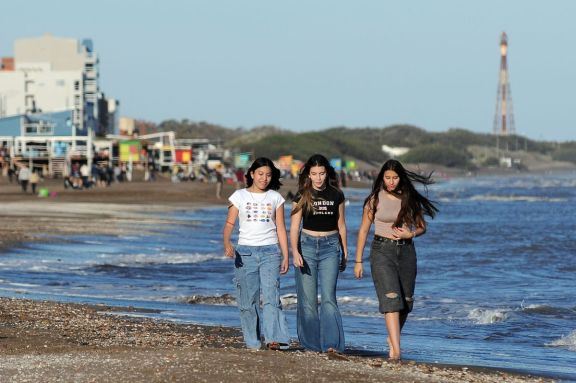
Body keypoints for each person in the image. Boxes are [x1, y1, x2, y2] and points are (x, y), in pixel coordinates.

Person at [354, 159, 438, 362]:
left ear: (401, 178)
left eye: (395, 178)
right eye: (387, 178)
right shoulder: (374, 199)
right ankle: (396, 351)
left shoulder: (409, 198)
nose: (391, 182)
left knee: (406, 303)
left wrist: (411, 234)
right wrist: (358, 261)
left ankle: (393, 337)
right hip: (381, 251)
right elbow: (364, 230)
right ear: (382, 178)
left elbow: (421, 227)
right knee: (391, 300)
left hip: (407, 252)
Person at [223, 157, 291, 350]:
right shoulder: (239, 196)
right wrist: (227, 241)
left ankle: (273, 339)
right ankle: (253, 342)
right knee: (248, 300)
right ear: (252, 174)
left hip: (271, 252)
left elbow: (280, 229)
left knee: (271, 296)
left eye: (268, 175)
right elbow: (229, 224)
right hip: (245, 254)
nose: (264, 178)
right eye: (260, 174)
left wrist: (286, 255)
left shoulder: (275, 198)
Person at [290, 154, 348, 353]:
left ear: (327, 173)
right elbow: (294, 227)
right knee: (308, 301)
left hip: (330, 247)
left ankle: (332, 345)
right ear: (308, 175)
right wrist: (294, 251)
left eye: (321, 173)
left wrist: (345, 252)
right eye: (314, 174)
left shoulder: (337, 195)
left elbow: (341, 225)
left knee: (329, 298)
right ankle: (311, 345)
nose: (318, 178)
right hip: (306, 246)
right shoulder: (301, 195)